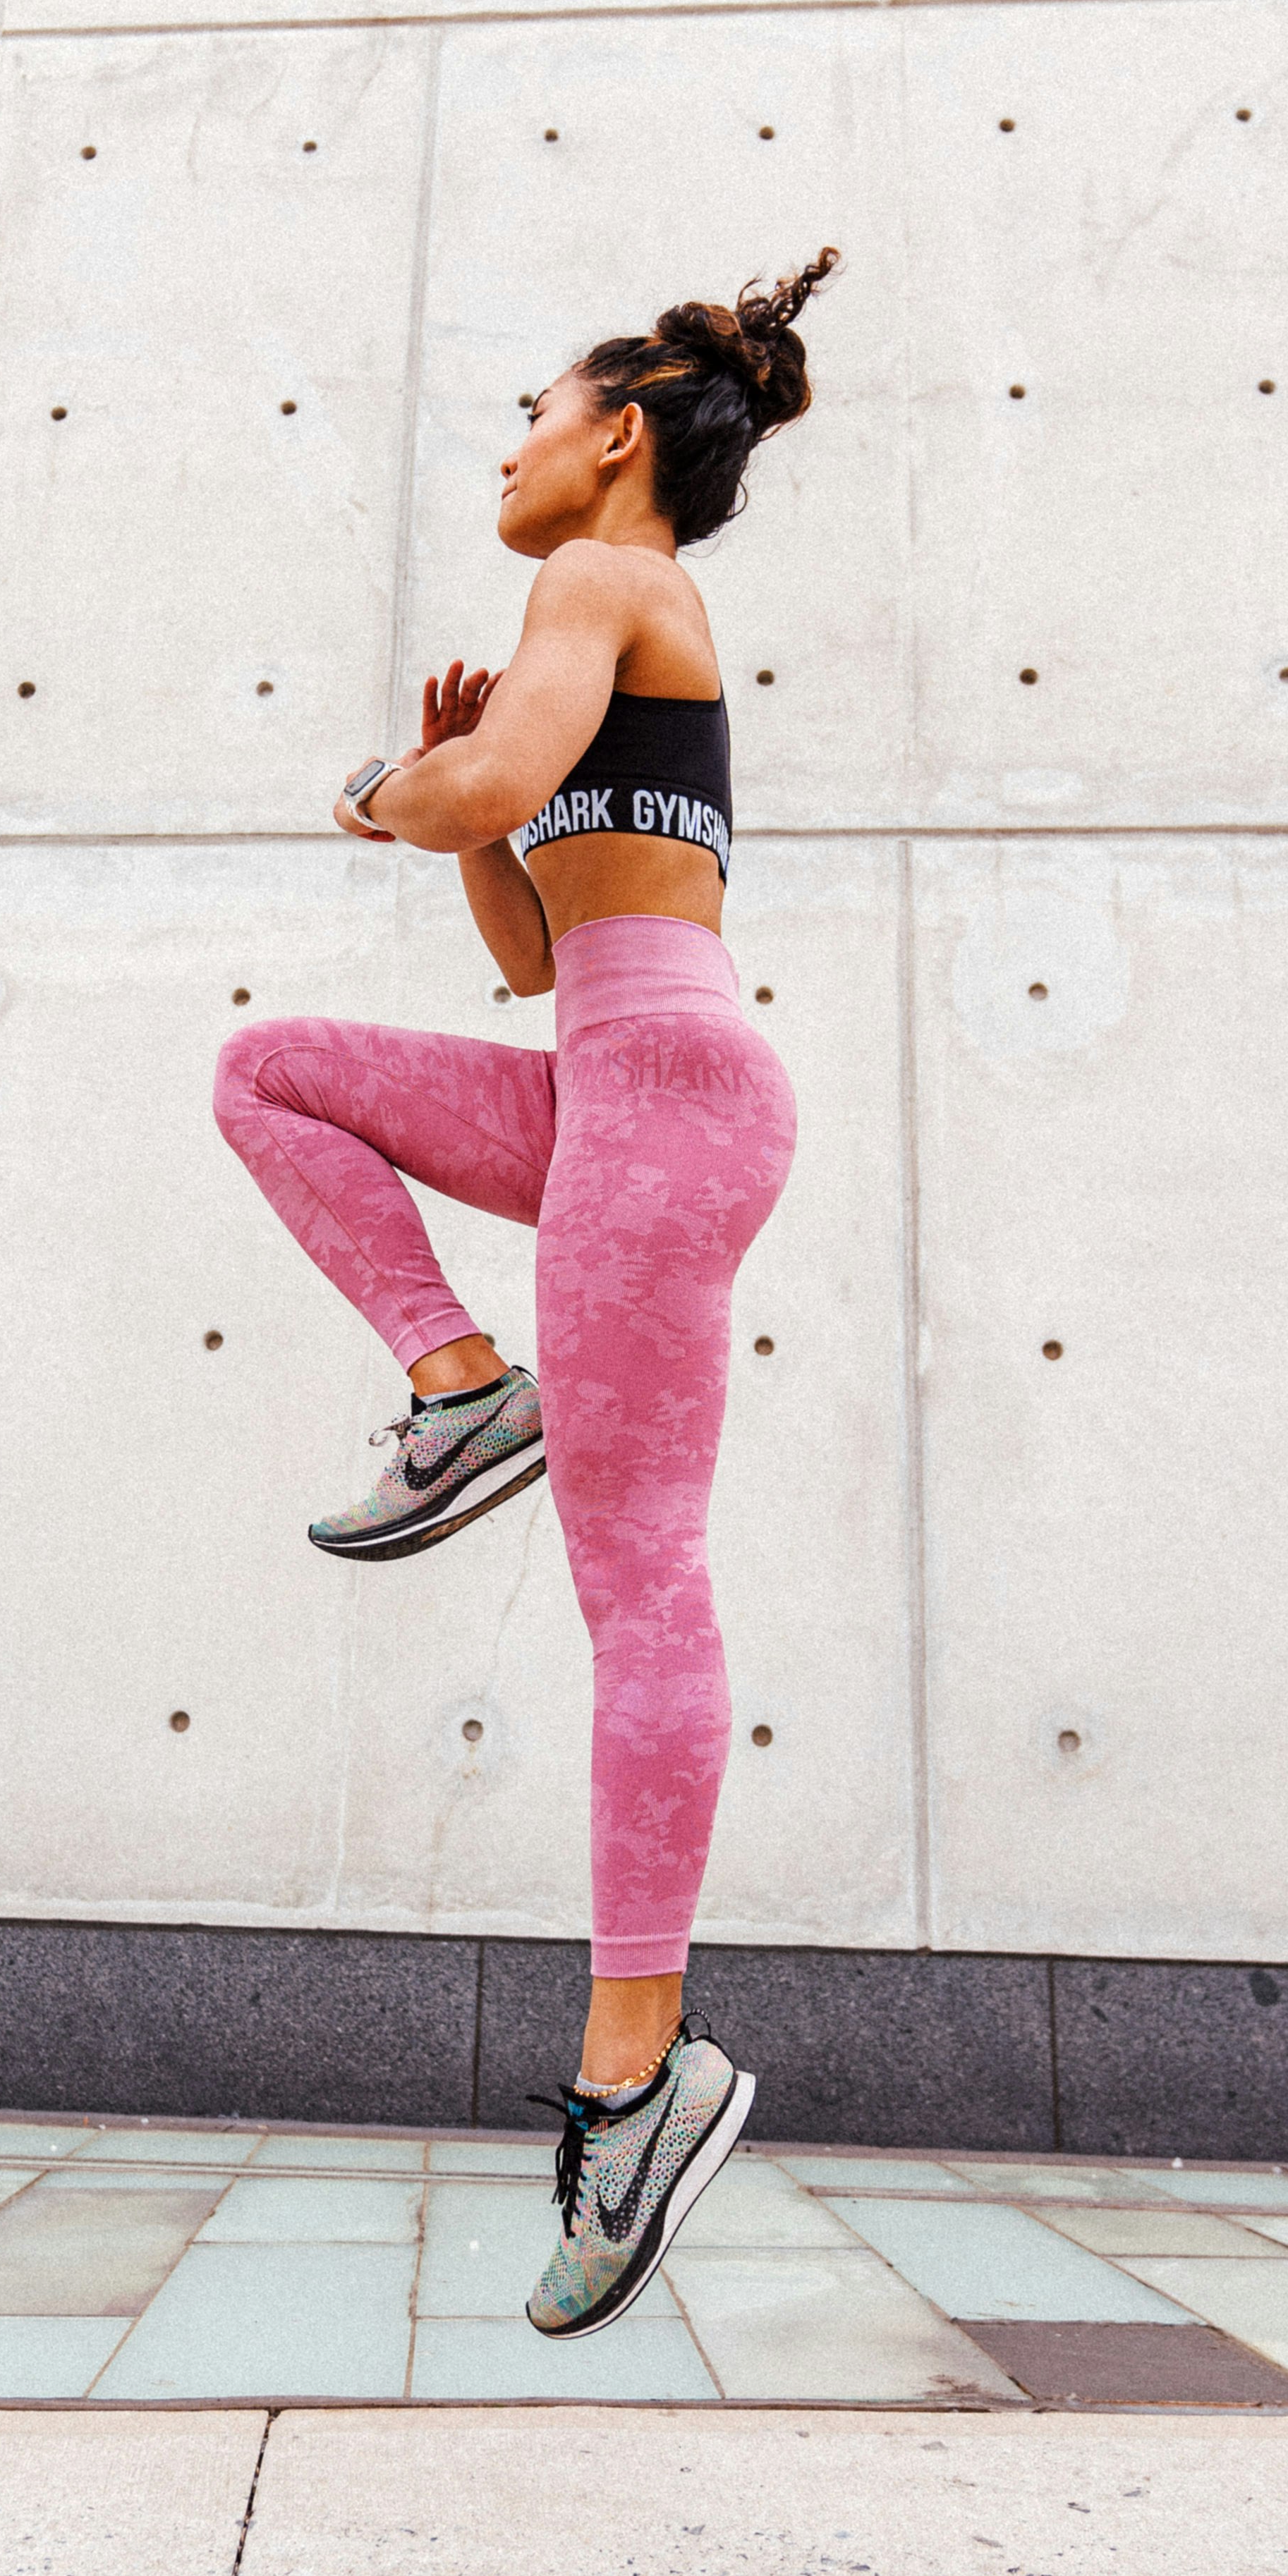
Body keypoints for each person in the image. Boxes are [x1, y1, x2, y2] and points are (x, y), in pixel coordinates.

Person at [213, 250, 837, 2338]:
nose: (508, 444)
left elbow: (460, 816)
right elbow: (522, 939)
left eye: (532, 409)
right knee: (273, 1070)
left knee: (639, 1589)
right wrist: (465, 798)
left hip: (660, 1103)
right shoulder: (599, 629)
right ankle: (464, 1381)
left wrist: (388, 796)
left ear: (618, 439)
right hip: (617, 1084)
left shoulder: (602, 578)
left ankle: (639, 2080)